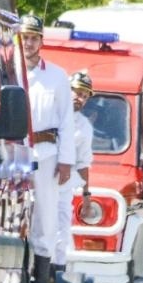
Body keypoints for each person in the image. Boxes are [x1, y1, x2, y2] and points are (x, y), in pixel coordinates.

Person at [19, 15, 75, 283]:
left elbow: (66, 120)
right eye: (25, 37)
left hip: (46, 150)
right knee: (11, 208)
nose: (28, 43)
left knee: (45, 212)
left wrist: (66, 160)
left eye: (33, 38)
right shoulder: (8, 71)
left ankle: (40, 277)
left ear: (41, 41)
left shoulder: (56, 76)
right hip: (15, 151)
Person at [55, 71, 96, 264]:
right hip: (37, 178)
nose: (79, 97)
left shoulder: (84, 127)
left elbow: (83, 163)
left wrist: (86, 197)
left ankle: (55, 273)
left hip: (63, 184)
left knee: (62, 227)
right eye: (76, 91)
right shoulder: (50, 112)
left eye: (84, 95)